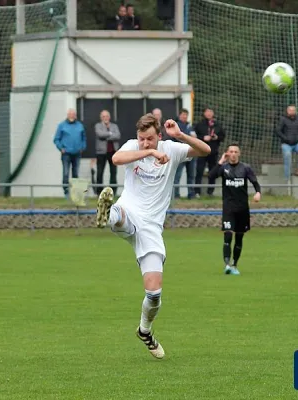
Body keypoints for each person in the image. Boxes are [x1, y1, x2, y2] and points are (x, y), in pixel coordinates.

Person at [95, 114, 211, 359]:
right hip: (129, 211)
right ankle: (108, 213)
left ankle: (144, 330)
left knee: (154, 294)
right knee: (120, 217)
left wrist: (180, 135)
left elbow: (205, 150)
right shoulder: (134, 147)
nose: (145, 143)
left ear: (160, 136)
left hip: (151, 229)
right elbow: (116, 158)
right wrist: (148, 153)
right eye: (141, 139)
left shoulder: (172, 148)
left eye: (150, 139)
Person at [208, 144, 261, 275]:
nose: (233, 154)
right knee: (227, 234)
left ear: (239, 153)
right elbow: (211, 176)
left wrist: (258, 192)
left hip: (243, 209)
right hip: (228, 208)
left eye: (235, 151)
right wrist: (220, 162)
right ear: (227, 153)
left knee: (239, 238)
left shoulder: (245, 168)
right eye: (230, 151)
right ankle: (227, 264)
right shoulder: (223, 168)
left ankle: (234, 265)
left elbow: (255, 182)